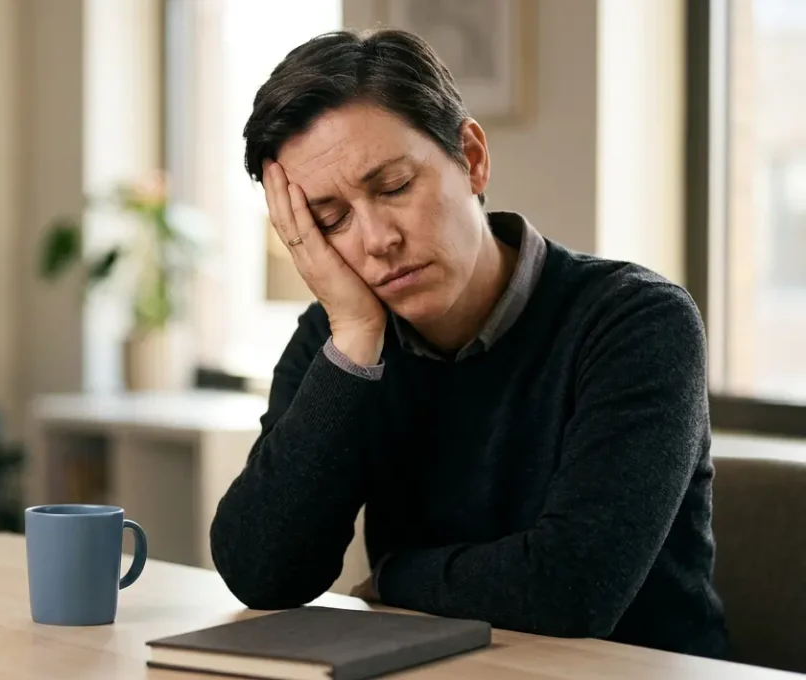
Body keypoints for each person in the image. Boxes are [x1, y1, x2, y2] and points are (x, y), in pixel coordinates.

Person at [207, 28, 730, 659]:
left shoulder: (636, 321)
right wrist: (353, 342)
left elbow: (574, 589)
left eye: (395, 187)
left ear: (472, 157)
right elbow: (261, 572)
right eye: (330, 220)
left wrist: (396, 577)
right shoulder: (342, 341)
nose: (376, 239)